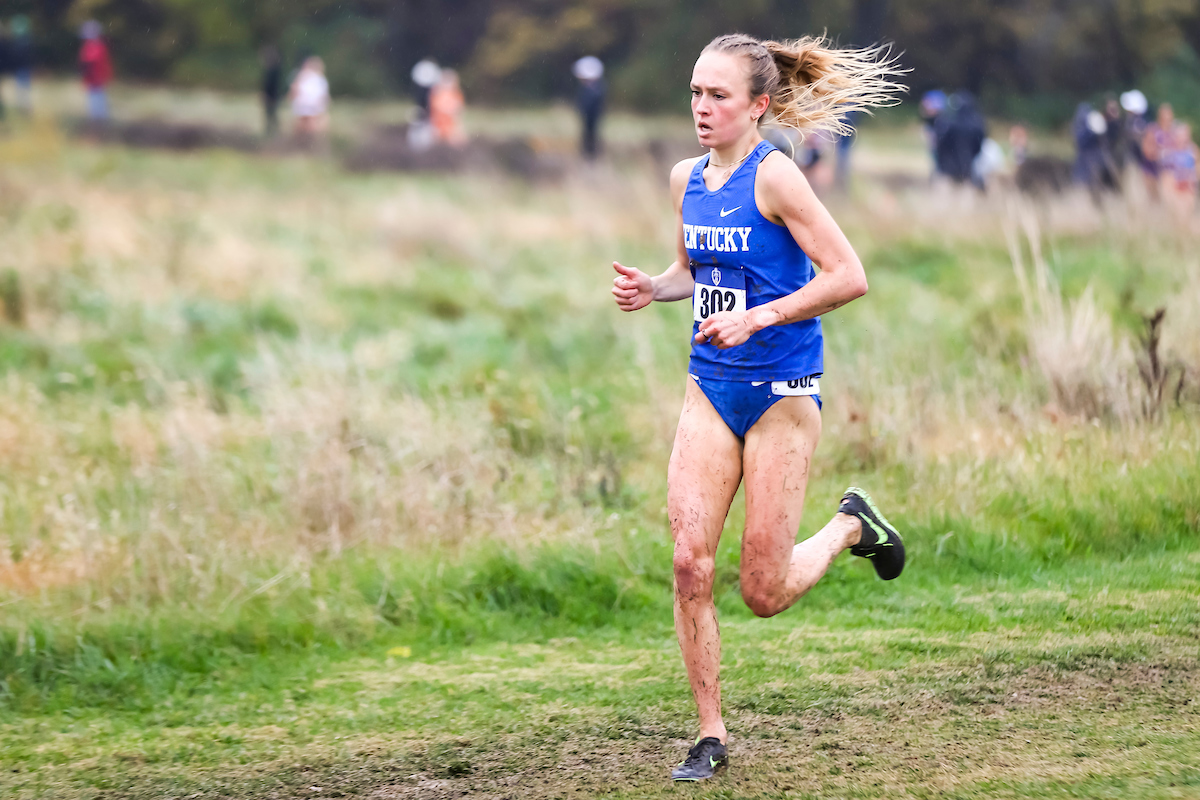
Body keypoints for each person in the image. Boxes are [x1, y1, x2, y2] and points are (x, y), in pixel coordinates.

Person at [610, 33, 906, 782]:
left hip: (780, 392)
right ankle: (710, 735)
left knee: (763, 592)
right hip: (710, 385)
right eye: (695, 93)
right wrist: (654, 286)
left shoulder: (778, 180)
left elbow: (849, 275)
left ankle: (848, 525)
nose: (701, 109)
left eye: (718, 96)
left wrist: (762, 316)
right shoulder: (686, 178)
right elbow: (692, 268)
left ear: (758, 107)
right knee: (688, 562)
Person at [289, 55, 330, 140]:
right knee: (307, 126)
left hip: (307, 106)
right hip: (308, 106)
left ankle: (305, 142)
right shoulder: (314, 79)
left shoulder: (313, 78)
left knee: (305, 126)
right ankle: (307, 142)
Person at [78, 20, 112, 124]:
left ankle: (99, 123)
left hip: (97, 79)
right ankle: (97, 122)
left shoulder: (97, 47)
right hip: (93, 79)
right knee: (94, 102)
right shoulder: (89, 46)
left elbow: (91, 61)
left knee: (98, 103)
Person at [573, 55, 606, 159]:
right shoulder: (596, 88)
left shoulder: (594, 90)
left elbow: (589, 107)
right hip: (590, 119)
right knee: (589, 136)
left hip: (591, 119)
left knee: (590, 136)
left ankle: (590, 156)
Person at [429, 68, 465, 146]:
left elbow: (458, 112)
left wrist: (458, 128)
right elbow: (436, 110)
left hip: (451, 126)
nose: (448, 84)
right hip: (439, 126)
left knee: (458, 140)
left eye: (450, 81)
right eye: (446, 81)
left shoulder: (456, 94)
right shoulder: (437, 94)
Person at [260, 45, 283, 137]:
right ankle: (273, 131)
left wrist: (266, 95)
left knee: (271, 114)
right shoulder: (275, 70)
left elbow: (269, 85)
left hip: (271, 96)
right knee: (272, 114)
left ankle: (272, 131)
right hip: (273, 96)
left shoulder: (272, 71)